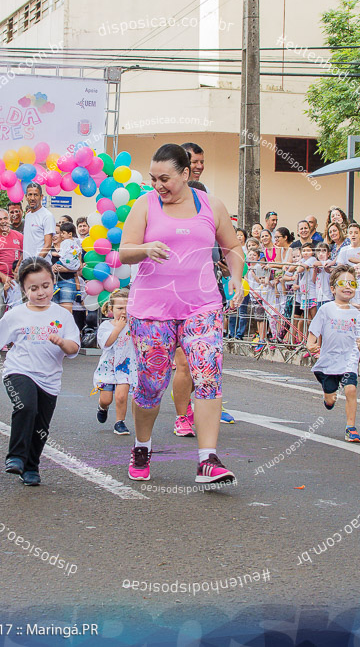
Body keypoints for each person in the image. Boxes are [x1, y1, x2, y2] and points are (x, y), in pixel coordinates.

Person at [119, 143, 243, 484]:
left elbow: (232, 247)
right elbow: (124, 252)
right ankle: (142, 447)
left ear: (186, 174)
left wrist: (235, 276)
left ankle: (208, 459)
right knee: (150, 384)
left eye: (165, 178)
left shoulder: (211, 205)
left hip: (201, 307)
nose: (158, 185)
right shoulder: (145, 205)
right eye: (153, 178)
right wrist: (145, 249)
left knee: (208, 375)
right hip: (152, 311)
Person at [0, 258, 80, 487]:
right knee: (25, 406)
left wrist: (61, 342)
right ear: (23, 289)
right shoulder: (16, 314)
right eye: (33, 288)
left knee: (41, 426)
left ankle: (31, 467)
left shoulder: (63, 315)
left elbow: (73, 349)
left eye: (45, 286)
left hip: (49, 379)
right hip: (18, 371)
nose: (41, 292)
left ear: (53, 283)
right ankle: (16, 456)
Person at [306, 264, 360, 443]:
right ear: (333, 289)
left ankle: (351, 427)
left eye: (352, 283)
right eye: (343, 283)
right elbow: (313, 332)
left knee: (351, 389)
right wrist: (311, 344)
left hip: (349, 360)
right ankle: (328, 398)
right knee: (331, 398)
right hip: (329, 361)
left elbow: (359, 339)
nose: (348, 287)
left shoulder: (356, 314)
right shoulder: (326, 309)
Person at [93, 288, 134, 436]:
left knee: (121, 396)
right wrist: (117, 329)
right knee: (106, 399)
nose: (124, 312)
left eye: (127, 308)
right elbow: (107, 343)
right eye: (120, 308)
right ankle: (102, 407)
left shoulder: (133, 325)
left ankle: (120, 422)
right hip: (107, 367)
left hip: (125, 366)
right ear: (111, 309)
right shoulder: (106, 326)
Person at [51, 221, 81, 312]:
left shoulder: (73, 246)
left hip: (67, 282)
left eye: (58, 233)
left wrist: (66, 269)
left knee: (66, 311)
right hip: (50, 284)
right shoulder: (48, 248)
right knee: (53, 311)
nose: (55, 235)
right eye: (52, 233)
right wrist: (51, 268)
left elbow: (79, 265)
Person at [22, 183, 55, 259]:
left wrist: (35, 263)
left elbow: (47, 245)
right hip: (27, 265)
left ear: (41, 197)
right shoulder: (28, 216)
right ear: (26, 197)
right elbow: (27, 243)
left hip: (41, 266)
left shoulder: (47, 216)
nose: (32, 198)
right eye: (30, 195)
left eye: (35, 195)